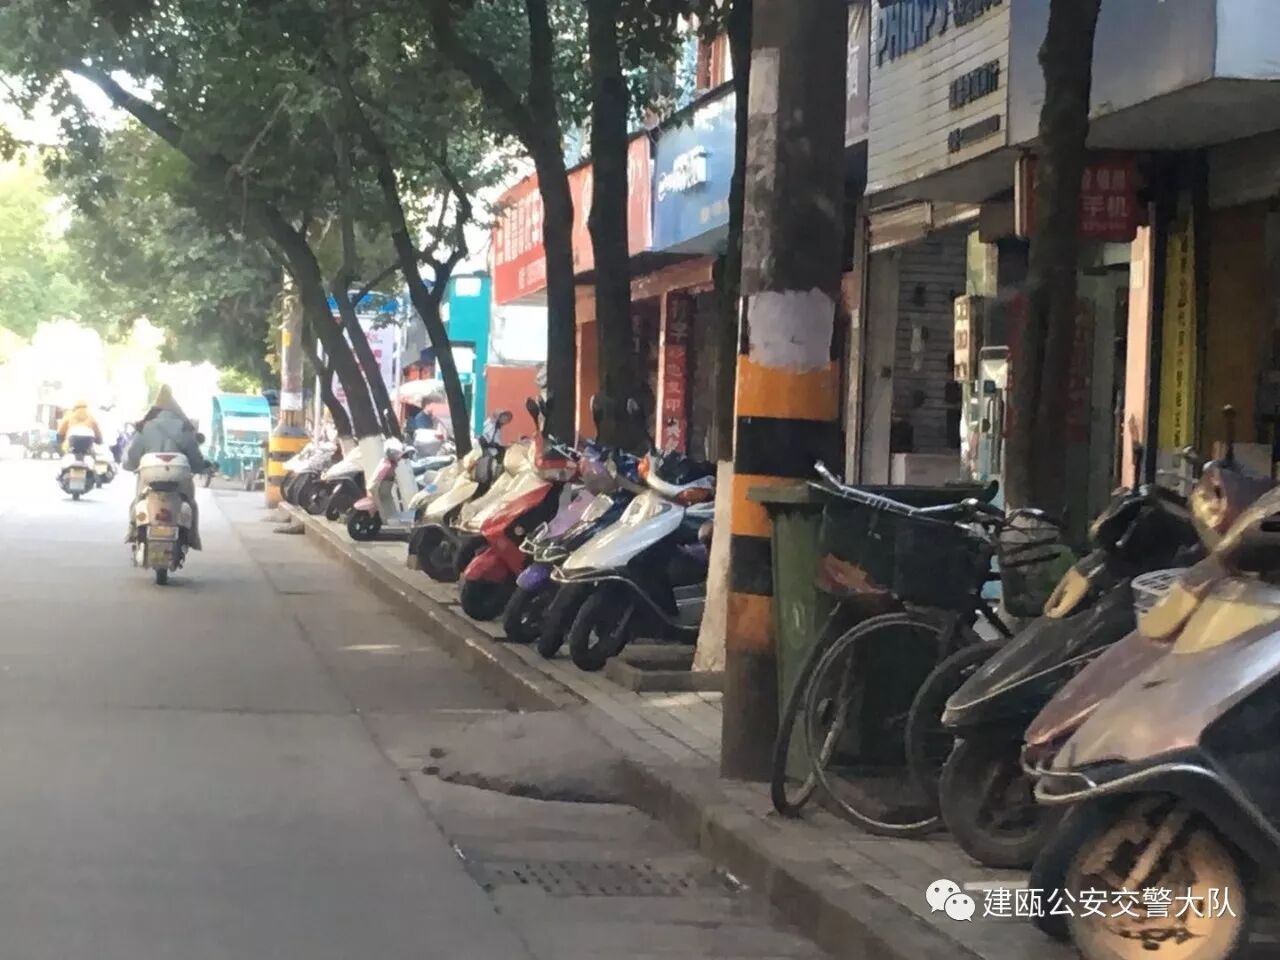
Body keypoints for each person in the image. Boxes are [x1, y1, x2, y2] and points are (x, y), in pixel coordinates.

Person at [123, 385, 207, 550]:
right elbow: (195, 458)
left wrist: (130, 465)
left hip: (150, 474)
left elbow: (133, 454)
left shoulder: (145, 426)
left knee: (139, 499)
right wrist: (201, 467)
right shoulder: (185, 428)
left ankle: (133, 528)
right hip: (178, 475)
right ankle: (193, 536)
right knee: (190, 502)